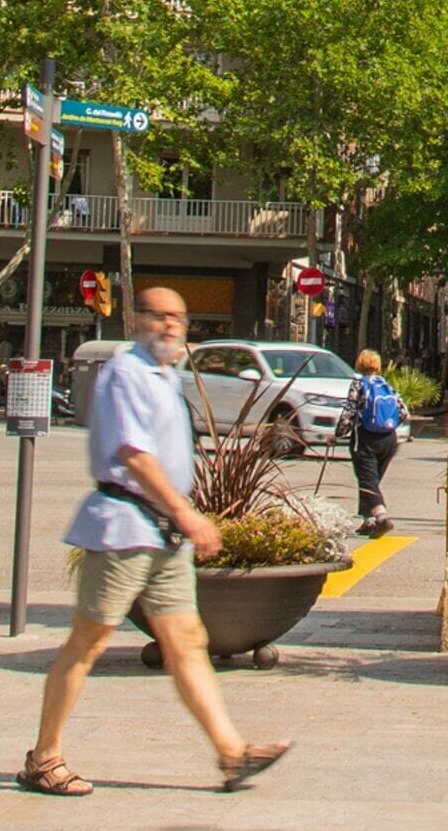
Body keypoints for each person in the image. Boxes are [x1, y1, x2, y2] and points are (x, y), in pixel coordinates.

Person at [20, 284, 288, 797]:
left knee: (188, 642)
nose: (168, 325)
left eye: (178, 318)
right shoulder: (126, 371)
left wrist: (181, 519)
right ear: (137, 319)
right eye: (158, 316)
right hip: (124, 526)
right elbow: (134, 455)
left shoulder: (166, 376)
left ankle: (232, 754)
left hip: (162, 533)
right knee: (88, 641)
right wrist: (188, 515)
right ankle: (43, 757)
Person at [346, 347, 406, 536]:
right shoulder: (386, 385)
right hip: (389, 439)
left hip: (366, 438)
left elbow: (349, 412)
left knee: (367, 480)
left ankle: (381, 518)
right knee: (373, 479)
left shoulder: (359, 384)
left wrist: (337, 434)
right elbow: (403, 412)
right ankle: (368, 521)